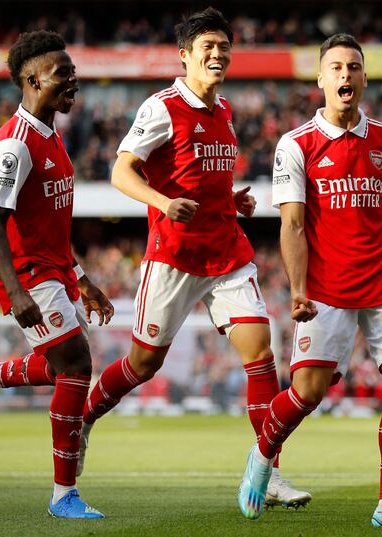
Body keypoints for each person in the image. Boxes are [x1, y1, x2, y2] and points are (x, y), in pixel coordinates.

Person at [78, 7, 310, 509]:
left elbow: (206, 180)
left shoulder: (224, 111)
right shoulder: (161, 107)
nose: (217, 54)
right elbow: (121, 173)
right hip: (174, 258)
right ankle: (85, 417)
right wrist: (162, 203)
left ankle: (268, 471)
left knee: (260, 353)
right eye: (207, 46)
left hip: (226, 255)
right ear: (184, 56)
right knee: (143, 364)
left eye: (224, 46)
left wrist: (233, 201)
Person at [237, 33, 382, 528]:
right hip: (327, 285)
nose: (346, 75)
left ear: (364, 78)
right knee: (307, 390)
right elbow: (293, 224)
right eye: (337, 68)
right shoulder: (296, 144)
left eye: (354, 67)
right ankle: (262, 456)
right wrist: (299, 289)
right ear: (321, 79)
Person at [0, 30, 114, 519]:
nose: (73, 81)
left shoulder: (53, 136)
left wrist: (81, 277)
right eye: (63, 73)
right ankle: (63, 494)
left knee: (59, 366)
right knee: (76, 365)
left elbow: (49, 223)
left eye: (73, 72)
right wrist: (15, 290)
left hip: (54, 269)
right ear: (32, 80)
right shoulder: (16, 144)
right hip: (27, 275)